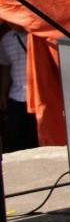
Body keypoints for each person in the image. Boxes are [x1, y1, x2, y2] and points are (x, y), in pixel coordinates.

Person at [0, 22, 38, 152]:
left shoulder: (36, 35)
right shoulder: (6, 40)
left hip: (38, 94)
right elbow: (6, 67)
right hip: (16, 95)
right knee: (17, 136)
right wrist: (3, 94)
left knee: (36, 135)